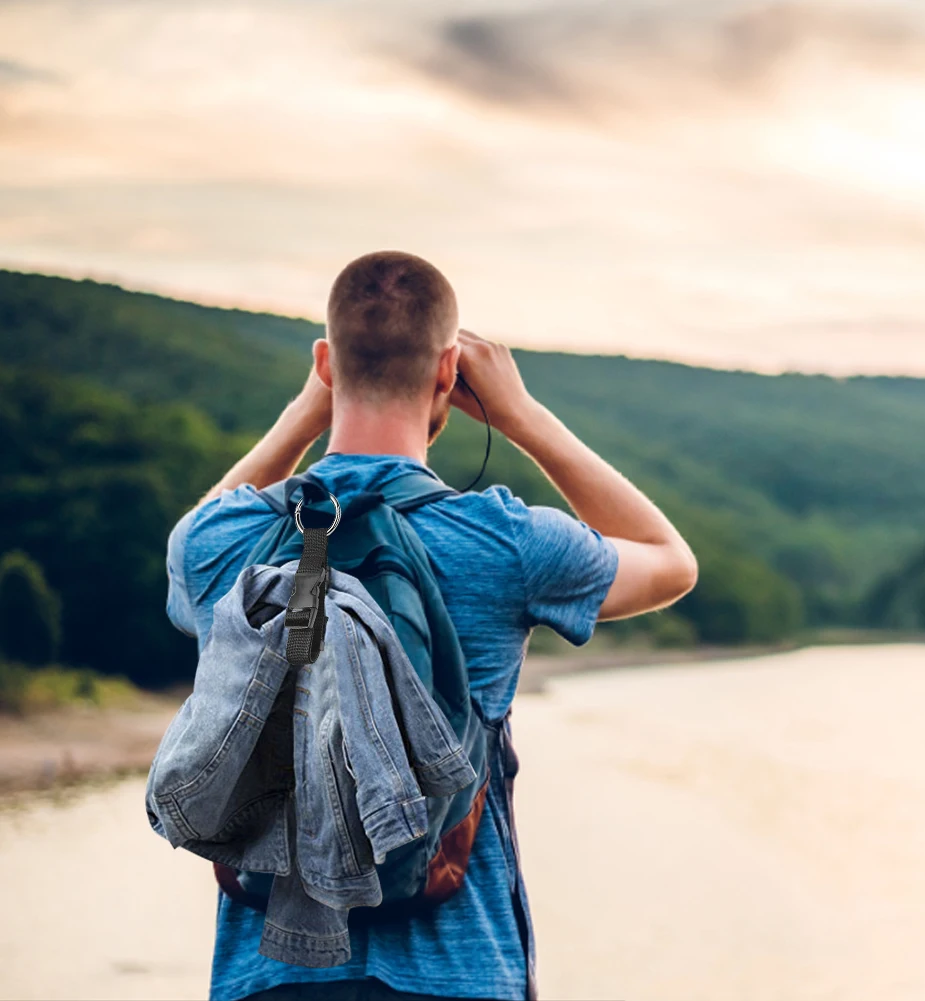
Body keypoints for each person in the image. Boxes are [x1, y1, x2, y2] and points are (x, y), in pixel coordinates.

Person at [165, 250, 698, 1001]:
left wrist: (300, 415)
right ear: (448, 373)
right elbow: (671, 561)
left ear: (325, 361)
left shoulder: (224, 543)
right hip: (456, 974)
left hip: (271, 976)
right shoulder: (503, 542)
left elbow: (190, 535)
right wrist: (521, 415)